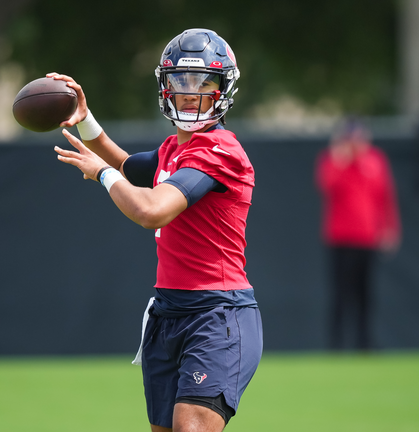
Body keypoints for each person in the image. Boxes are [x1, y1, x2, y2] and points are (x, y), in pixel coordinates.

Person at [50, 28, 262, 432]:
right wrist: (85, 119)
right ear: (166, 86)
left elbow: (150, 211)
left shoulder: (220, 150)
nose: (191, 92)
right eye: (181, 80)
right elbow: (125, 164)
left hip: (216, 315)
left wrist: (102, 174)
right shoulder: (173, 149)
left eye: (204, 82)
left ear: (223, 89)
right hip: (167, 314)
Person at [315, 118, 401, 352]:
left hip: (368, 238)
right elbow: (326, 185)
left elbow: (386, 196)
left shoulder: (376, 159)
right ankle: (336, 344)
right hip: (341, 238)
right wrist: (341, 160)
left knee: (366, 294)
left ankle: (365, 343)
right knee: (341, 294)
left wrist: (390, 228)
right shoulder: (334, 160)